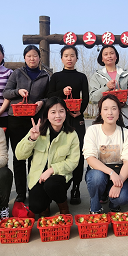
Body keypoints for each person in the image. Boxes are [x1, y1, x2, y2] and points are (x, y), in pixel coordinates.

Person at [14, 97, 80, 216]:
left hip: (59, 178)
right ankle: (45, 204)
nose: (57, 116)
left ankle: (63, 205)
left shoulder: (71, 134)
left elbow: (73, 162)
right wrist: (31, 139)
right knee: (36, 207)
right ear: (47, 115)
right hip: (38, 178)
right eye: (53, 112)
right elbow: (19, 155)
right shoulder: (37, 131)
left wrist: (52, 170)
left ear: (66, 113)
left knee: (52, 184)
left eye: (61, 111)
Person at [3, 44, 50, 203]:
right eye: (29, 56)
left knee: (35, 157)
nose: (32, 59)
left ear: (39, 58)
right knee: (18, 157)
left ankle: (33, 189)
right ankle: (21, 193)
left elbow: (49, 96)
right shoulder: (17, 73)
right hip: (15, 119)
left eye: (35, 56)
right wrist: (18, 91)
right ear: (24, 58)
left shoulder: (45, 76)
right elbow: (6, 92)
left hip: (35, 119)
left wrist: (42, 102)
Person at [47, 45, 89, 205]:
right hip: (59, 120)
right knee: (59, 152)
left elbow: (85, 97)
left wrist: (80, 111)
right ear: (62, 58)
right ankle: (61, 183)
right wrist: (61, 93)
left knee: (77, 153)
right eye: (66, 55)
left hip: (76, 118)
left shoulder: (81, 76)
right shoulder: (56, 76)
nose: (69, 58)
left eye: (72, 55)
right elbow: (50, 96)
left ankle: (76, 187)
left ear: (76, 58)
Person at [83, 94, 128, 214]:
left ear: (119, 112)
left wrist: (119, 181)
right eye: (105, 109)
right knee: (96, 178)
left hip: (118, 174)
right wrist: (110, 173)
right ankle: (95, 207)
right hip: (99, 173)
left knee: (123, 198)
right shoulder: (93, 130)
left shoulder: (125, 133)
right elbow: (90, 158)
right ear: (100, 112)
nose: (110, 112)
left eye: (114, 108)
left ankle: (114, 204)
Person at [88, 45, 128, 129]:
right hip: (105, 119)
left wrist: (125, 102)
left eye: (112, 53)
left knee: (124, 140)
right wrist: (106, 87)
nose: (109, 56)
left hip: (124, 117)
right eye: (106, 54)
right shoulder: (97, 76)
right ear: (102, 59)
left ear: (116, 57)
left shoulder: (126, 74)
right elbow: (93, 98)